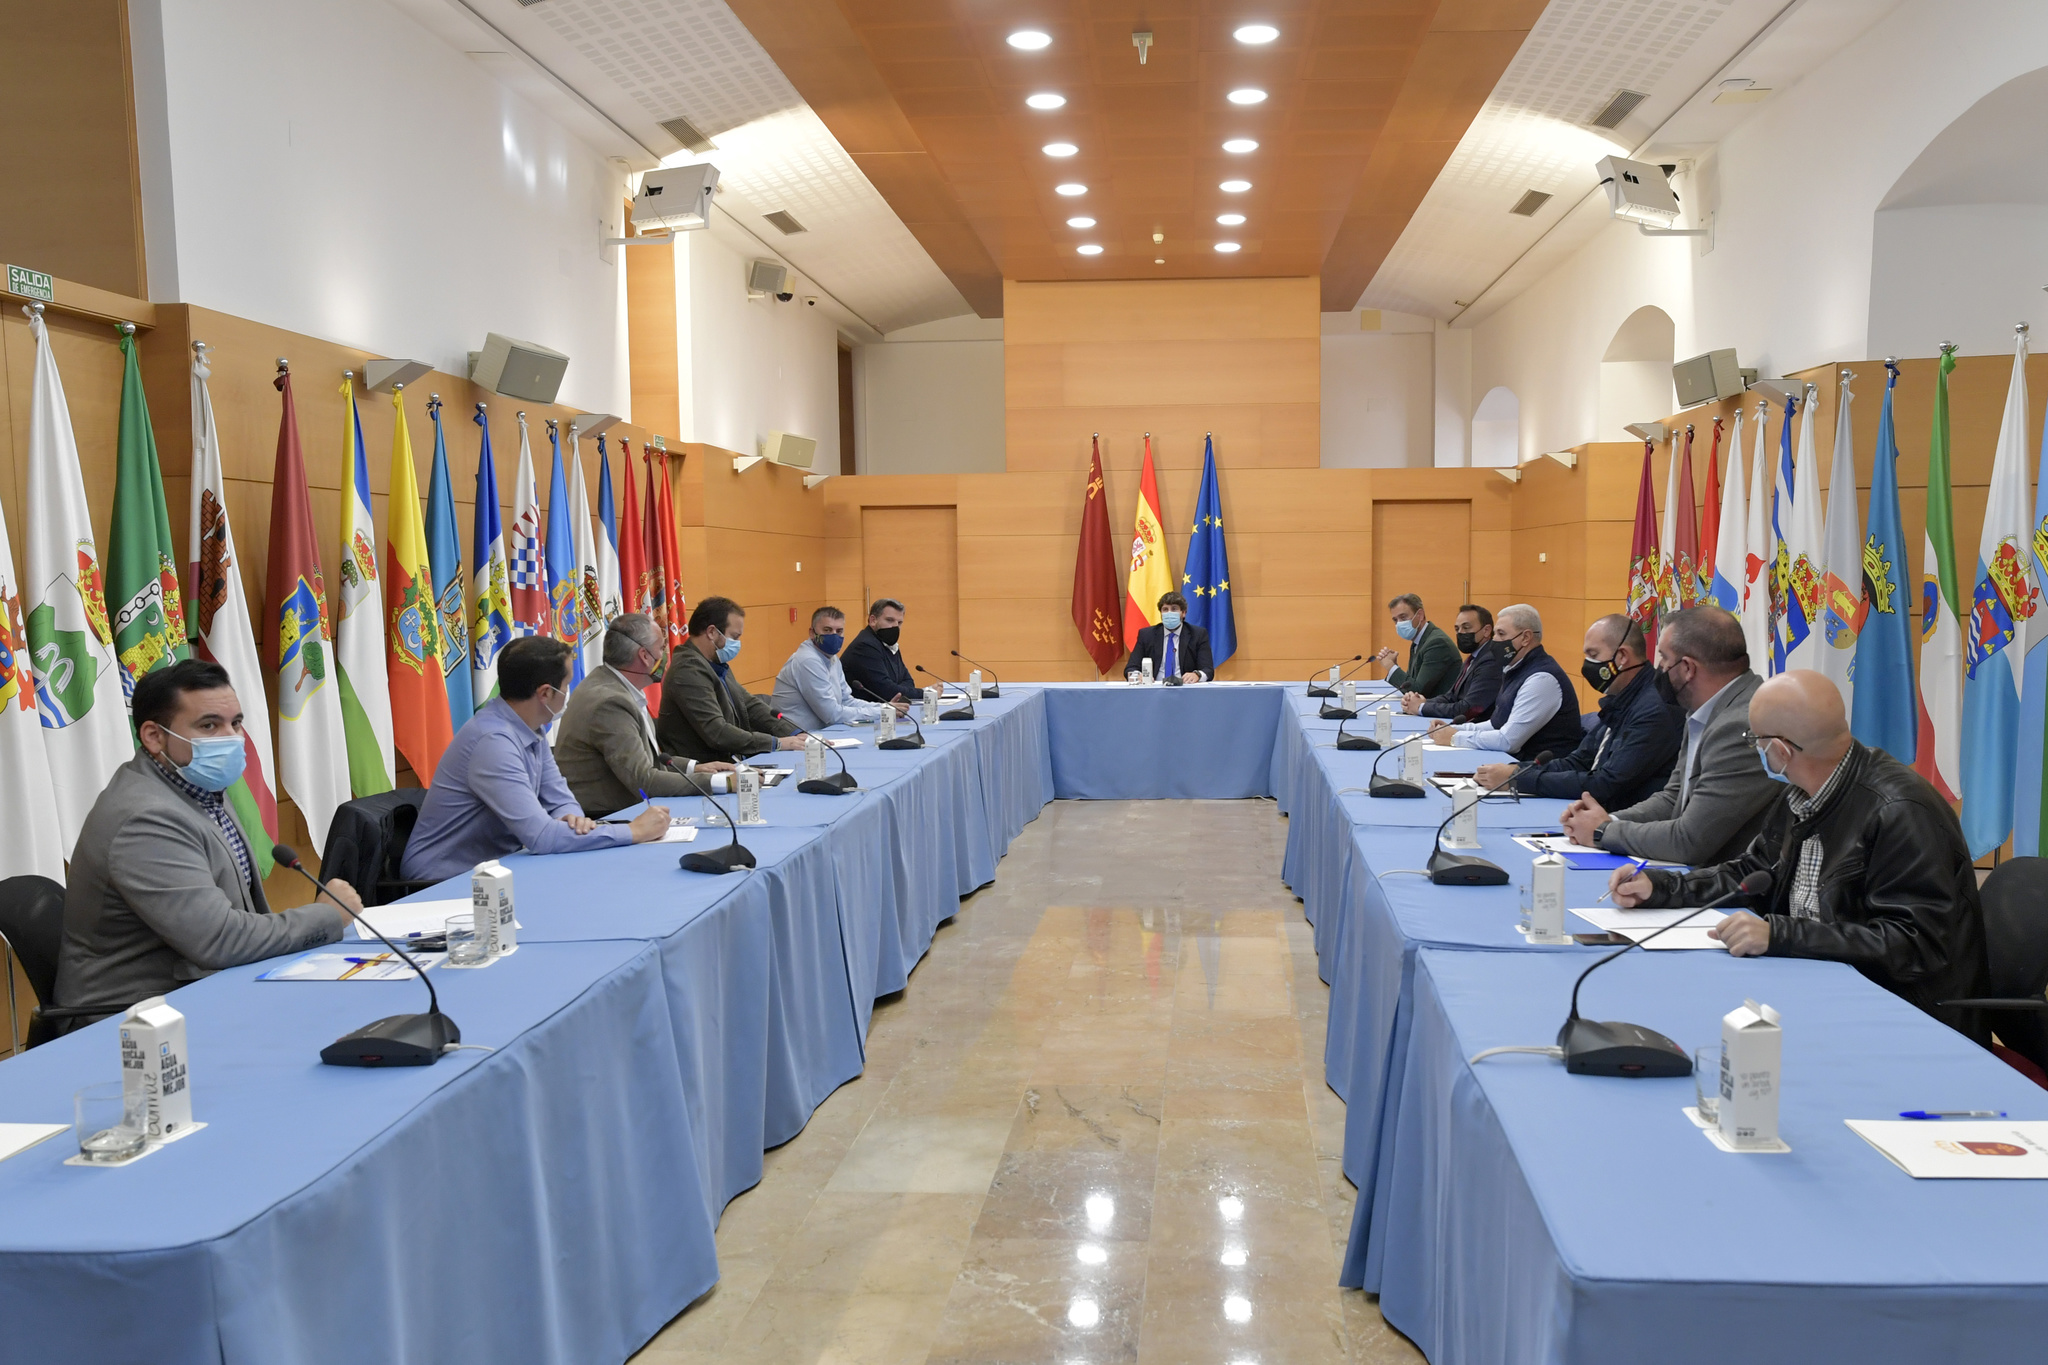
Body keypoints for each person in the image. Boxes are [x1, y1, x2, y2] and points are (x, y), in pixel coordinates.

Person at [1610, 670, 1989, 1037]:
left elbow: (1914, 945)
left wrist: (1781, 934)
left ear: (1779, 750)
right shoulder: (1800, 791)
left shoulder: (1899, 811)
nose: (1755, 749)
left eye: (1753, 740)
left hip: (1902, 1015)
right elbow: (1753, 870)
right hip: (1818, 983)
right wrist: (1660, 888)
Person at [52, 659, 353, 1028]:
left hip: (203, 992)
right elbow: (220, 941)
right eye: (209, 725)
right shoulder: (145, 820)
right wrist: (327, 915)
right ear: (153, 736)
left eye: (236, 723)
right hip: (134, 1024)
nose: (231, 737)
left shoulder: (197, 784)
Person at [402, 636, 671, 883]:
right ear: (545, 693)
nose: (568, 693)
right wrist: (634, 832)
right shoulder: (493, 742)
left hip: (497, 868)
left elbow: (559, 797)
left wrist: (574, 818)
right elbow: (542, 836)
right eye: (566, 686)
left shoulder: (532, 726)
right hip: (442, 882)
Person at [1560, 605, 1779, 865]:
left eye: (1663, 658)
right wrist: (1608, 819)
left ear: (1687, 668)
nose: (1659, 667)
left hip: (1736, 892)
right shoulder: (1704, 709)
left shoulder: (1741, 725)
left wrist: (1602, 831)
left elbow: (1689, 841)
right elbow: (1674, 797)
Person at [1476, 614, 1681, 806]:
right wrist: (1517, 771)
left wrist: (1517, 780)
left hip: (1625, 824)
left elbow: (1606, 784)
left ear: (1622, 656)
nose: (1586, 665)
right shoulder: (1622, 699)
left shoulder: (1654, 710)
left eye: (1593, 654)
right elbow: (1579, 761)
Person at [555, 613, 733, 817]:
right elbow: (645, 780)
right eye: (661, 648)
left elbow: (650, 760)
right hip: (605, 818)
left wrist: (697, 768)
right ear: (644, 655)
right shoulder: (610, 703)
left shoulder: (614, 685)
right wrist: (723, 782)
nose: (665, 654)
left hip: (626, 810)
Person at [657, 595, 806, 763]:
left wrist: (796, 734)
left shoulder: (714, 663)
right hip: (703, 773)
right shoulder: (687, 670)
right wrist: (776, 743)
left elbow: (749, 705)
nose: (737, 643)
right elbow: (717, 732)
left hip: (727, 763)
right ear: (712, 632)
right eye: (734, 637)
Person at [1425, 603, 1582, 761]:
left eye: (1501, 634)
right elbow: (1495, 724)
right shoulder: (1515, 668)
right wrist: (1453, 729)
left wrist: (1454, 738)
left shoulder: (1541, 679)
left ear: (1526, 638)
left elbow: (1508, 741)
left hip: (1538, 772)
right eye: (1495, 634)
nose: (1494, 641)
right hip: (1512, 764)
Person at [773, 606, 907, 730]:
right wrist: (882, 711)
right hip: (797, 738)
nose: (834, 635)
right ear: (812, 633)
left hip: (821, 733)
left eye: (839, 631)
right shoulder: (808, 660)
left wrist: (885, 707)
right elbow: (831, 714)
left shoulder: (831, 658)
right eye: (827, 630)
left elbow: (846, 701)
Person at [1405, 603, 1504, 720]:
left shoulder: (1491, 661)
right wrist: (1420, 702)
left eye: (1466, 627)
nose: (1460, 633)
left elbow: (1468, 709)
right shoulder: (1473, 657)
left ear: (1486, 631)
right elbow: (1451, 696)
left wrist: (1421, 707)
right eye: (1457, 629)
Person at [1377, 593, 1458, 698]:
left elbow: (1417, 692)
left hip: (1439, 710)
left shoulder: (1437, 643)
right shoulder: (1419, 640)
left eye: (1403, 617)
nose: (1399, 623)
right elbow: (1411, 683)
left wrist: (1390, 666)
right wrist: (1394, 666)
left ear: (1420, 615)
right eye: (1395, 620)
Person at [841, 597, 916, 706]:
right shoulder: (865, 645)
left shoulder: (889, 644)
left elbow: (908, 681)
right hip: (863, 714)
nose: (895, 626)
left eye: (899, 622)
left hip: (885, 712)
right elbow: (887, 691)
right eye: (889, 620)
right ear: (873, 620)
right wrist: (926, 693)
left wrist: (898, 688)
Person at [1125, 591, 1212, 682]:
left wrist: (1197, 675)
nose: (1169, 613)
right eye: (1165, 609)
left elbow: (1208, 670)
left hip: (1185, 689)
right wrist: (1138, 676)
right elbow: (1131, 668)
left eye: (1174, 609)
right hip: (1154, 688)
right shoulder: (1147, 635)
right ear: (1161, 613)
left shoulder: (1197, 634)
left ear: (1183, 613)